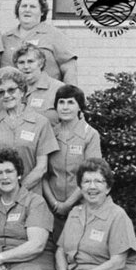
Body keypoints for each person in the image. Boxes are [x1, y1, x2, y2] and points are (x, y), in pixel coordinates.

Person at [0, 67, 59, 198]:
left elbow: (42, 167)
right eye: (1, 92)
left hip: (30, 195)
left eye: (11, 90)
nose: (6, 95)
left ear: (22, 91)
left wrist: (17, 191)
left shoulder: (41, 123)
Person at [42, 85, 102, 245]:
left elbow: (92, 176)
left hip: (82, 206)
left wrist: (68, 204)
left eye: (70, 102)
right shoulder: (49, 133)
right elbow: (44, 174)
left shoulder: (90, 135)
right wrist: (55, 204)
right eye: (61, 102)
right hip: (52, 209)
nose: (65, 107)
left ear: (79, 107)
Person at [2, 0, 77, 85]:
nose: (27, 10)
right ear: (18, 10)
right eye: (24, 6)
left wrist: (70, 95)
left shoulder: (55, 35)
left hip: (47, 95)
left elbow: (69, 69)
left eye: (33, 7)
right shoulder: (6, 38)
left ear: (42, 12)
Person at [13, 42, 63, 124]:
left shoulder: (59, 89)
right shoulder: (12, 90)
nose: (26, 67)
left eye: (30, 61)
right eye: (21, 62)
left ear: (41, 63)